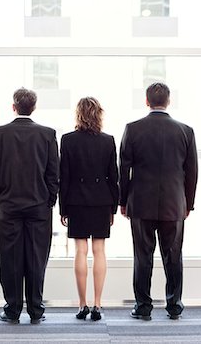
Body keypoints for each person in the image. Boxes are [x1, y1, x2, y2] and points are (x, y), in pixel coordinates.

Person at [120, 82, 198, 321]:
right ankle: (174, 305)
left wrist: (123, 201)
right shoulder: (185, 131)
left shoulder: (133, 129)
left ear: (146, 101)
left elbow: (123, 170)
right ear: (168, 101)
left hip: (140, 203)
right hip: (174, 204)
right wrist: (188, 203)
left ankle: (143, 306)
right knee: (173, 254)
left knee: (142, 255)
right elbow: (192, 172)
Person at [0, 88, 59, 324]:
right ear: (33, 107)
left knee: (10, 259)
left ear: (13, 106)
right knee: (37, 258)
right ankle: (36, 309)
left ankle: (13, 309)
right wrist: (50, 200)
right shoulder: (47, 134)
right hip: (39, 206)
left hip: (7, 207)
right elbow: (53, 173)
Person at [59, 97, 119, 321]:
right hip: (102, 200)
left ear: (78, 114)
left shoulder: (67, 140)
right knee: (100, 250)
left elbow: (63, 177)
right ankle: (98, 304)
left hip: (76, 201)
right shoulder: (108, 141)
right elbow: (114, 177)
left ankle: (82, 304)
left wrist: (63, 208)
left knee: (81, 251)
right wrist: (113, 207)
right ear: (98, 114)